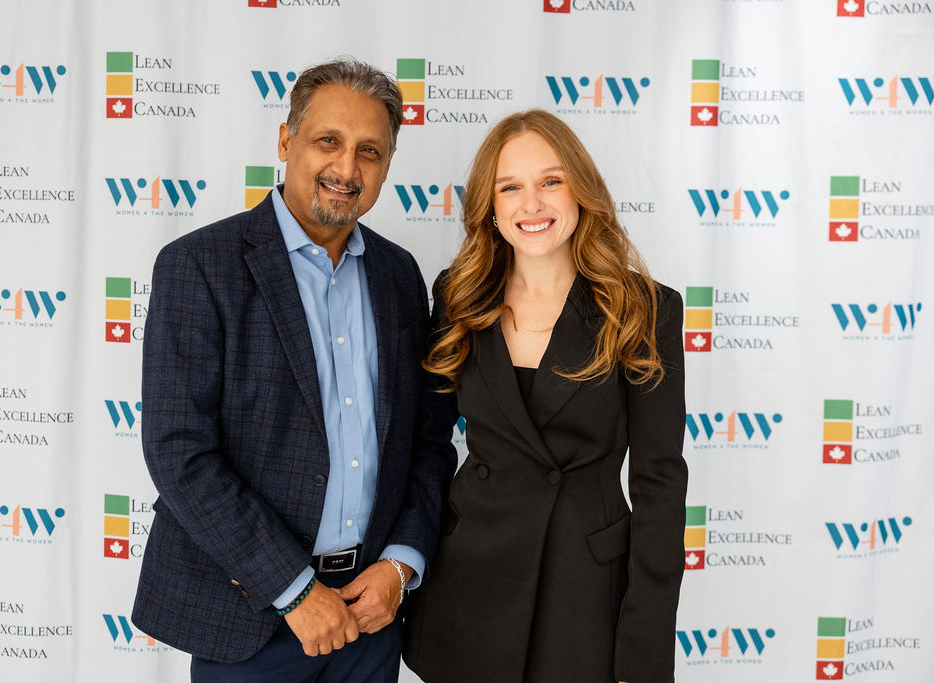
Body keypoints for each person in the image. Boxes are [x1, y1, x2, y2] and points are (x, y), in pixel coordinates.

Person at [131, 58, 457, 683]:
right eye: (327, 141)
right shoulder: (199, 265)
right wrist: (294, 590)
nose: (347, 169)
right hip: (252, 614)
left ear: (388, 164)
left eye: (369, 151)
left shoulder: (399, 275)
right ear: (286, 141)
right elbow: (178, 452)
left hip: (371, 615)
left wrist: (401, 563)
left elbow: (428, 440)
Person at [402, 110, 688, 683]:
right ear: (490, 205)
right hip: (470, 582)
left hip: (583, 594)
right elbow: (426, 443)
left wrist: (644, 646)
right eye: (510, 187)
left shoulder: (644, 308)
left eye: (550, 181)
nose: (531, 204)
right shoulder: (457, 296)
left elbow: (659, 483)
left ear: (581, 189)